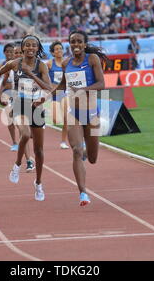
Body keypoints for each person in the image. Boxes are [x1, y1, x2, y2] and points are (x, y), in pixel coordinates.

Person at [0, 35, 52, 201]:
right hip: (19, 104)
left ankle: (38, 183)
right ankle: (17, 165)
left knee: (39, 150)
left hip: (36, 107)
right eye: (28, 45)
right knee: (25, 134)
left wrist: (31, 75)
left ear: (37, 48)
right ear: (23, 48)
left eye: (34, 45)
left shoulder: (41, 65)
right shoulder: (15, 63)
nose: (31, 48)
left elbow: (49, 87)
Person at [52, 30, 106, 206]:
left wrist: (83, 90)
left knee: (92, 158)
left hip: (91, 114)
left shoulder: (92, 60)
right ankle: (83, 193)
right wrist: (42, 98)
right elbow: (61, 86)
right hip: (73, 113)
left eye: (78, 41)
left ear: (84, 44)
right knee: (76, 150)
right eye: (72, 41)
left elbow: (101, 84)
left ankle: (84, 153)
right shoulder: (66, 63)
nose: (75, 44)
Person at [0, 43, 19, 151]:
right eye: (7, 52)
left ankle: (25, 134)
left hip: (17, 92)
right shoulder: (1, 66)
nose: (9, 54)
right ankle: (14, 142)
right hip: (6, 93)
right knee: (10, 118)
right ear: (4, 53)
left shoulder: (17, 64)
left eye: (11, 52)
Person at [47, 41, 69, 149]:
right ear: (52, 53)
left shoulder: (67, 63)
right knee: (56, 120)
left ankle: (63, 141)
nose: (59, 51)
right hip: (54, 94)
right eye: (56, 49)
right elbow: (42, 75)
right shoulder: (50, 64)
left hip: (64, 93)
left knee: (66, 119)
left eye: (61, 48)